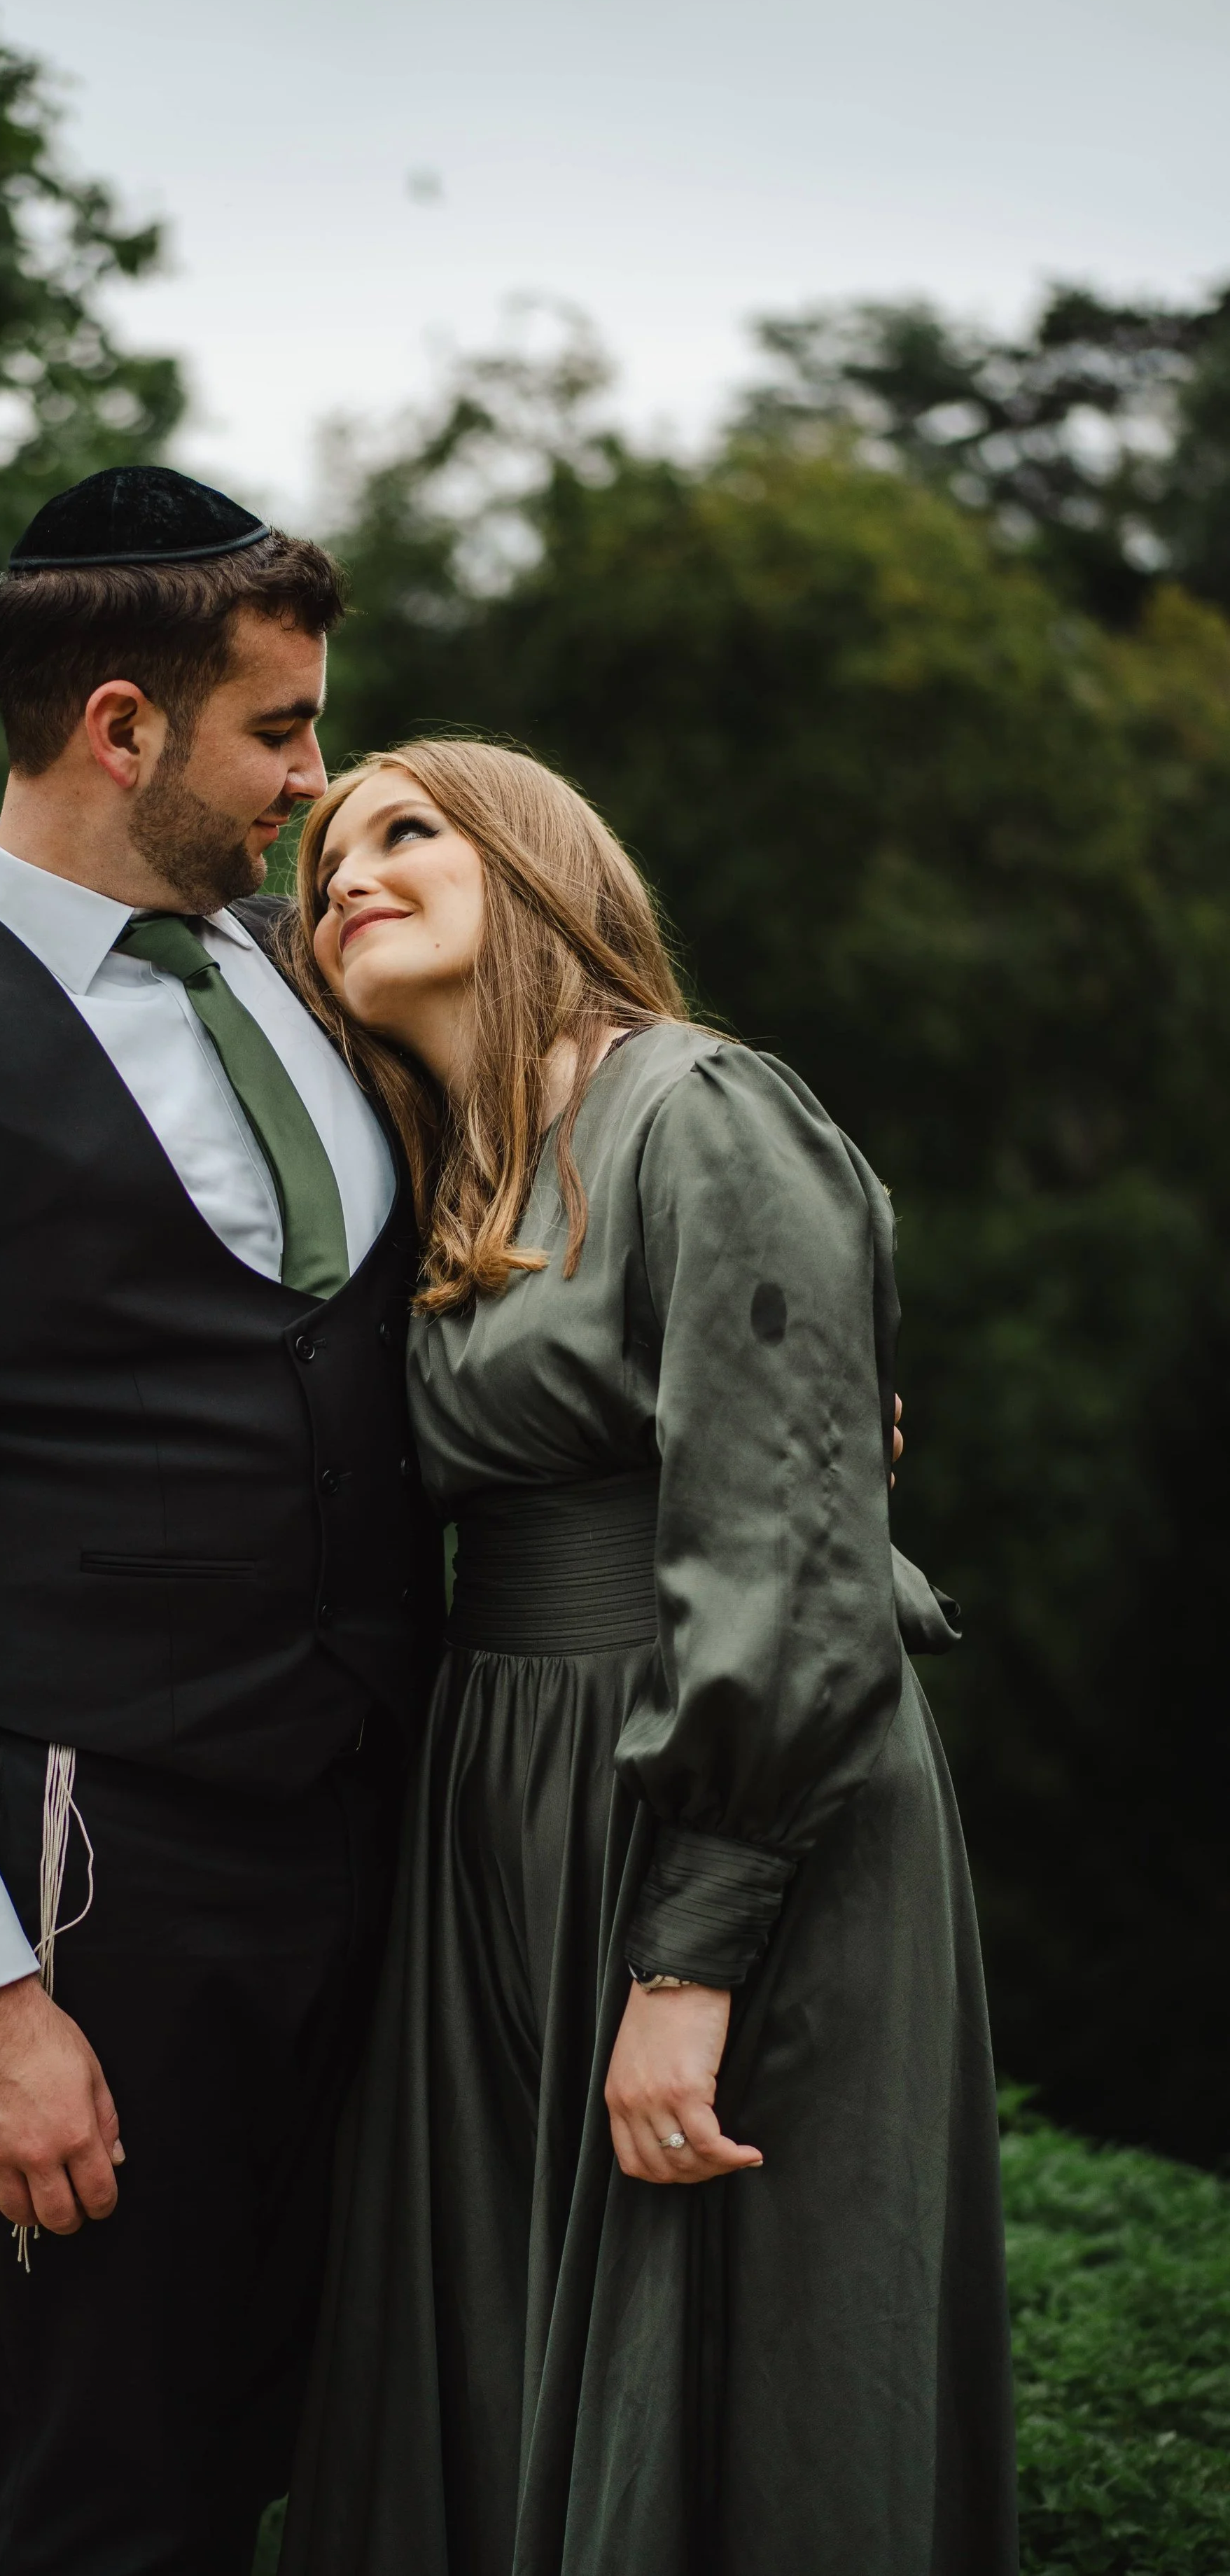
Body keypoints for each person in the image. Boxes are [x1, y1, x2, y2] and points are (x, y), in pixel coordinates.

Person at [0, 467, 441, 2576]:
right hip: (111, 1872)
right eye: (280, 730)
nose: (314, 785)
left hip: (390, 1853)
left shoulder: (320, 989)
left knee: (364, 2443)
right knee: (116, 2495)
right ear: (121, 726)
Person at [276, 739, 1019, 2576]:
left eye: (403, 829)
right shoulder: (458, 1182)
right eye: (319, 863)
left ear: (529, 865)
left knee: (727, 2373)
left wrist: (688, 1959)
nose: (344, 872)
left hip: (721, 1805)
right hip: (507, 1805)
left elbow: (784, 1549)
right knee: (508, 2354)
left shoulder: (697, 1109)